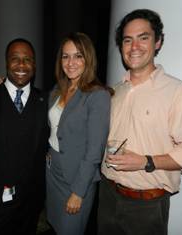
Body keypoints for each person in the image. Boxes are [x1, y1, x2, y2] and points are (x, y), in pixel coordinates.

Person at [97, 9, 182, 235]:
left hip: (146, 206)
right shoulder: (114, 92)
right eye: (128, 40)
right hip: (107, 195)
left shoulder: (179, 93)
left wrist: (146, 161)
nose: (134, 46)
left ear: (157, 42)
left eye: (143, 38)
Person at [0, 38, 49, 235]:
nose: (21, 65)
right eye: (15, 59)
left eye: (28, 59)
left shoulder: (45, 100)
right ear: (6, 62)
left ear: (35, 64)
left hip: (31, 199)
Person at [46, 32, 110, 235]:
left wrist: (78, 192)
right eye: (66, 56)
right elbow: (54, 128)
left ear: (88, 58)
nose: (70, 62)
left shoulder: (97, 95)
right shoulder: (58, 89)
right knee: (56, 225)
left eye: (78, 56)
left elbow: (94, 151)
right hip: (52, 171)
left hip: (76, 178)